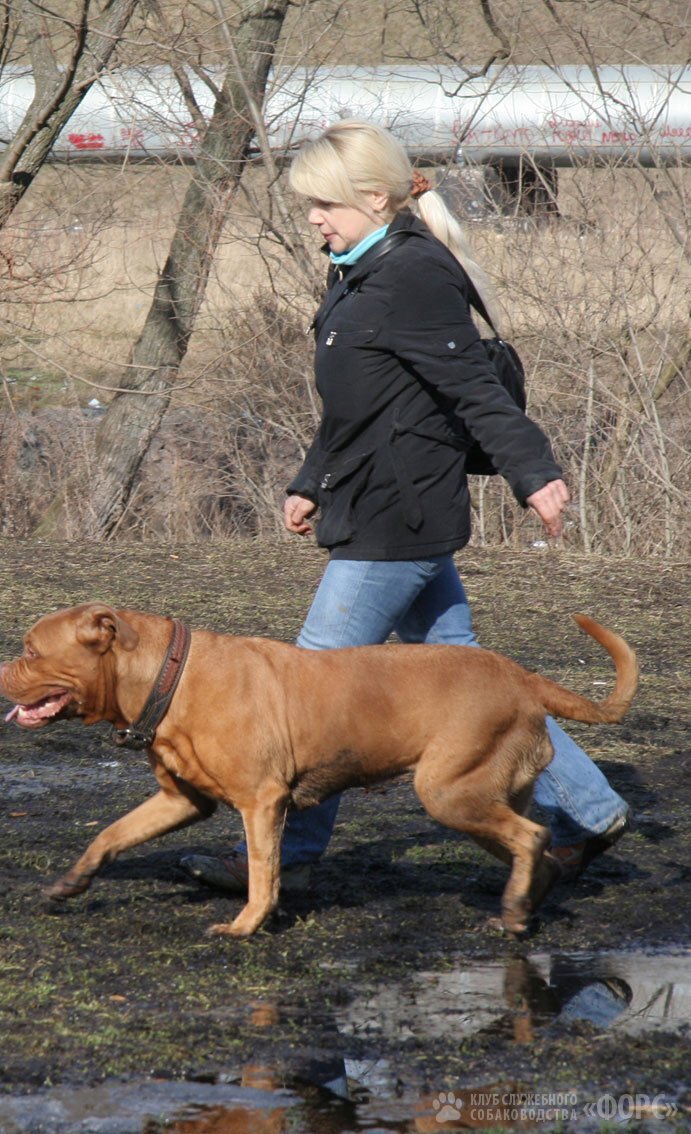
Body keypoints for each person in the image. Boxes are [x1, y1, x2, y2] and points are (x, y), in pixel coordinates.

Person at [181, 120, 630, 896]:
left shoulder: (410, 275)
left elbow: (474, 392)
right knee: (482, 687)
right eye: (308, 206)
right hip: (372, 503)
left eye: (325, 204)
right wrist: (309, 479)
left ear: (376, 198)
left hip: (399, 517)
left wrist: (534, 472)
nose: (314, 220)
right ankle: (589, 812)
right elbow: (354, 405)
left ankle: (284, 856)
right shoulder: (355, 268)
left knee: (312, 689)